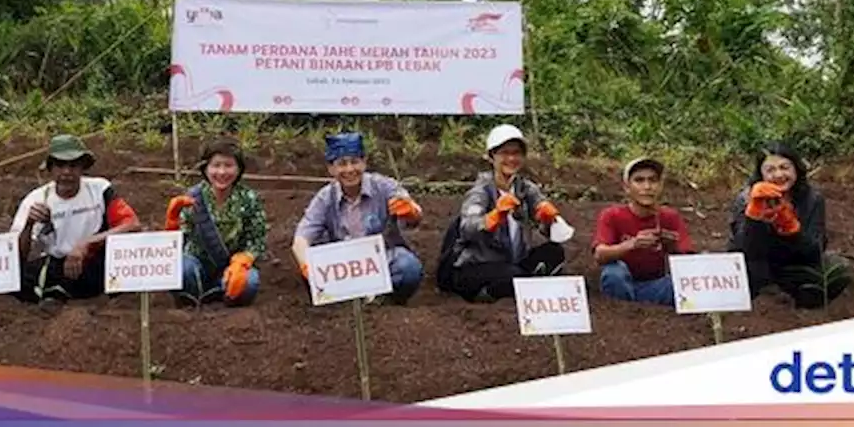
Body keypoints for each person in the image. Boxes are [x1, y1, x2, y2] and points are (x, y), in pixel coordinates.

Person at [291, 132, 425, 305]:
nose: (349, 170)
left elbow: (414, 213)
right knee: (314, 269)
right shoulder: (325, 198)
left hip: (380, 262)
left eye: (355, 162)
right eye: (342, 164)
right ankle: (347, 299)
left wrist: (411, 211)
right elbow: (301, 239)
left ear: (364, 162)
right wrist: (307, 266)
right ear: (331, 169)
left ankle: (381, 300)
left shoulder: (384, 186)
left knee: (408, 267)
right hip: (344, 267)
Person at [438, 124, 566, 303]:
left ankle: (520, 286)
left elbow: (550, 227)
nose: (511, 158)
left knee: (554, 253)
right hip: (477, 265)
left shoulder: (526, 189)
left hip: (513, 260)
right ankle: (491, 293)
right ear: (492, 157)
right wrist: (492, 217)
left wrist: (549, 221)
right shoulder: (480, 191)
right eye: (505, 153)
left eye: (516, 153)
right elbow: (467, 228)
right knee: (513, 275)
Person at [11, 135, 140, 304]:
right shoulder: (36, 200)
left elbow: (132, 224)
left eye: (73, 166)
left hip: (94, 259)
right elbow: (17, 254)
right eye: (60, 165)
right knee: (16, 280)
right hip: (58, 263)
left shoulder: (100, 189)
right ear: (50, 169)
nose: (67, 172)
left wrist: (86, 243)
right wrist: (29, 224)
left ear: (82, 168)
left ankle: (61, 292)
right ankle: (61, 291)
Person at [726, 142, 851, 309]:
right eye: (770, 170)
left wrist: (791, 229)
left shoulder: (812, 199)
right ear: (761, 174)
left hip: (792, 264)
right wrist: (754, 217)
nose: (779, 174)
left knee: (838, 269)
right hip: (755, 267)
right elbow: (744, 249)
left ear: (796, 169)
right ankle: (764, 298)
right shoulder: (746, 199)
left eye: (785, 167)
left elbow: (815, 249)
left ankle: (795, 304)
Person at [165, 137, 268, 308]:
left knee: (249, 282)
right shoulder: (192, 197)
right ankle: (192, 299)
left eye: (228, 165)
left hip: (231, 268)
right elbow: (178, 242)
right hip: (196, 262)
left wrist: (243, 260)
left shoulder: (249, 198)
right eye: (216, 165)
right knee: (183, 270)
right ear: (205, 168)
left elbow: (257, 239)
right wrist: (172, 223)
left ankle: (222, 297)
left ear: (239, 169)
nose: (221, 172)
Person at [592, 157, 695, 305]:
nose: (647, 187)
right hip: (622, 284)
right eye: (639, 180)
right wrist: (632, 244)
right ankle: (623, 309)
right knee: (614, 272)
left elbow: (689, 262)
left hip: (655, 286)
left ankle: (637, 306)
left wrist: (671, 246)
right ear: (627, 187)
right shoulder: (612, 215)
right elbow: (600, 255)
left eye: (653, 180)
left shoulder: (670, 217)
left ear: (660, 186)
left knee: (679, 284)